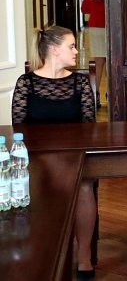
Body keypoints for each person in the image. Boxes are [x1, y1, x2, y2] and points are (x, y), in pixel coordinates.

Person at [11, 26, 97, 280]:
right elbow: (20, 131)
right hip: (37, 160)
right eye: (71, 46)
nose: (76, 51)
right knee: (39, 185)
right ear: (53, 49)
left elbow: (88, 128)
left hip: (74, 156)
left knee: (84, 186)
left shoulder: (80, 83)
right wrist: (48, 162)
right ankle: (45, 253)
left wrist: (66, 159)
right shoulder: (26, 83)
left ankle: (83, 257)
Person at [80, 0, 106, 106]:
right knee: (112, 63)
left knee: (99, 64)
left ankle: (95, 96)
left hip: (96, 28)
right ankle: (112, 95)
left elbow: (84, 9)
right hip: (112, 28)